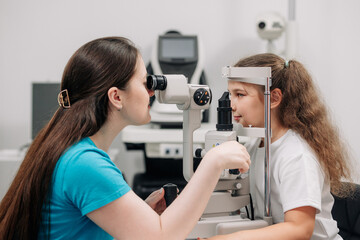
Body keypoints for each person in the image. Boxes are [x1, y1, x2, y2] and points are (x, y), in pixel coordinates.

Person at [0, 37, 251, 240]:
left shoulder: (73, 151)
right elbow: (160, 238)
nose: (152, 91)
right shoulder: (85, 163)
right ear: (116, 97)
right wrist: (212, 161)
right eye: (145, 82)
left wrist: (139, 213)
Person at [200, 53, 354, 240]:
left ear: (273, 98)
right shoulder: (257, 144)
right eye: (230, 94)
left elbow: (299, 229)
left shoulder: (296, 155)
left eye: (240, 94)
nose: (231, 105)